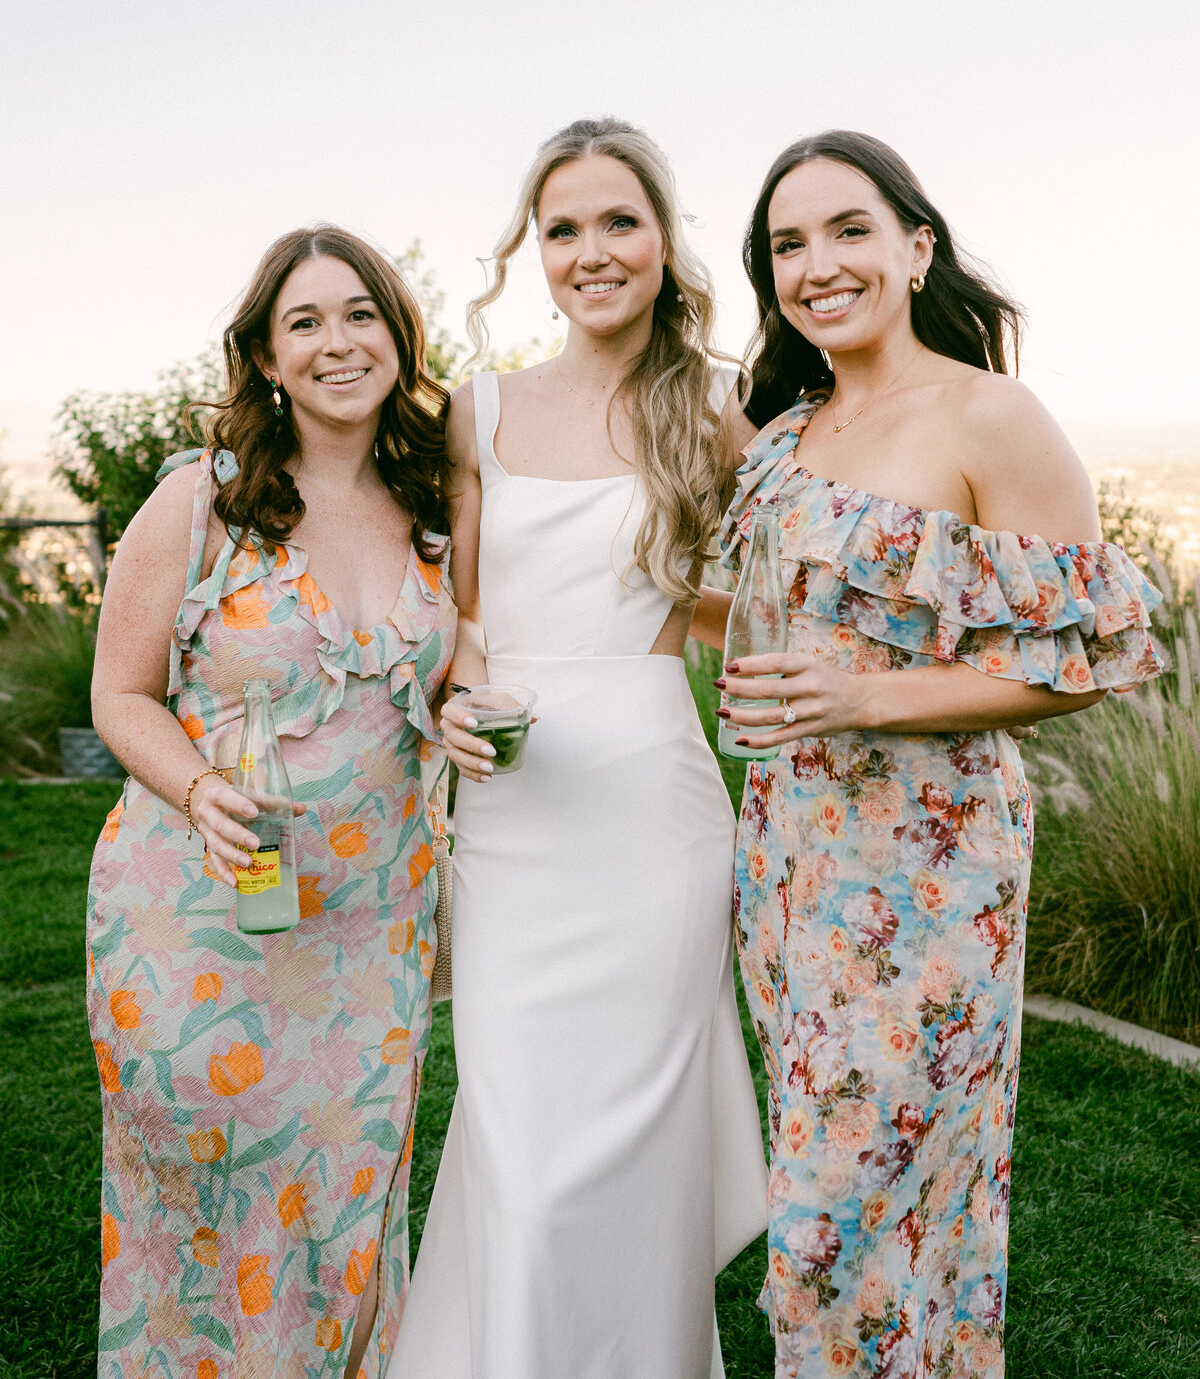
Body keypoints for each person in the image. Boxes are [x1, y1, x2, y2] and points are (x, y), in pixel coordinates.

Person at [691, 131, 1162, 1379]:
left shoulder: (988, 413)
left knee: (827, 1236)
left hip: (928, 874)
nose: (818, 264)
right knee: (850, 1199)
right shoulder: (781, 431)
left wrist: (862, 699)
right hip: (788, 860)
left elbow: (1091, 658)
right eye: (787, 244)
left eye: (849, 230)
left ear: (917, 247)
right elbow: (752, 615)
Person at [388, 119, 767, 1379]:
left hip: (654, 816)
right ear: (532, 251)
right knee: (522, 1144)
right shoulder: (477, 409)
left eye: (620, 223)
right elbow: (466, 618)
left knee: (638, 1147)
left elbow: (767, 603)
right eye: (564, 229)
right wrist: (455, 700)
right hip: (513, 811)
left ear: (664, 239)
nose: (592, 251)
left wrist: (679, 603)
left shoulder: (717, 405)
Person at [87, 226, 455, 1379]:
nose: (337, 342)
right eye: (305, 321)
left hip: (372, 936)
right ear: (265, 354)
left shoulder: (441, 508)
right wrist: (199, 789)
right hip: (199, 928)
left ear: (398, 337)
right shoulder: (204, 500)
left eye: (360, 315)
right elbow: (120, 693)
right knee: (211, 1216)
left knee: (345, 1214)